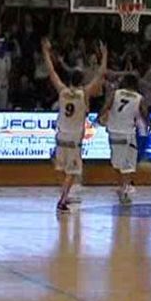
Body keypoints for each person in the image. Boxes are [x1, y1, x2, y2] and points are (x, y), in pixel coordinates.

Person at [42, 37, 107, 213]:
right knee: (73, 171)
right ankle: (63, 199)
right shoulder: (84, 93)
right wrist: (105, 55)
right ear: (82, 80)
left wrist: (46, 52)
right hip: (74, 138)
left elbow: (51, 71)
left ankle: (64, 193)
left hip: (60, 135)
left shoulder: (62, 90)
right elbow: (101, 74)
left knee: (63, 169)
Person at [100, 73, 149, 205]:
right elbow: (145, 114)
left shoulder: (116, 93)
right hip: (127, 133)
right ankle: (126, 189)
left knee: (116, 163)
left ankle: (122, 186)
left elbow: (106, 107)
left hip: (113, 132)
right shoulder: (139, 98)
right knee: (127, 164)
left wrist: (100, 117)